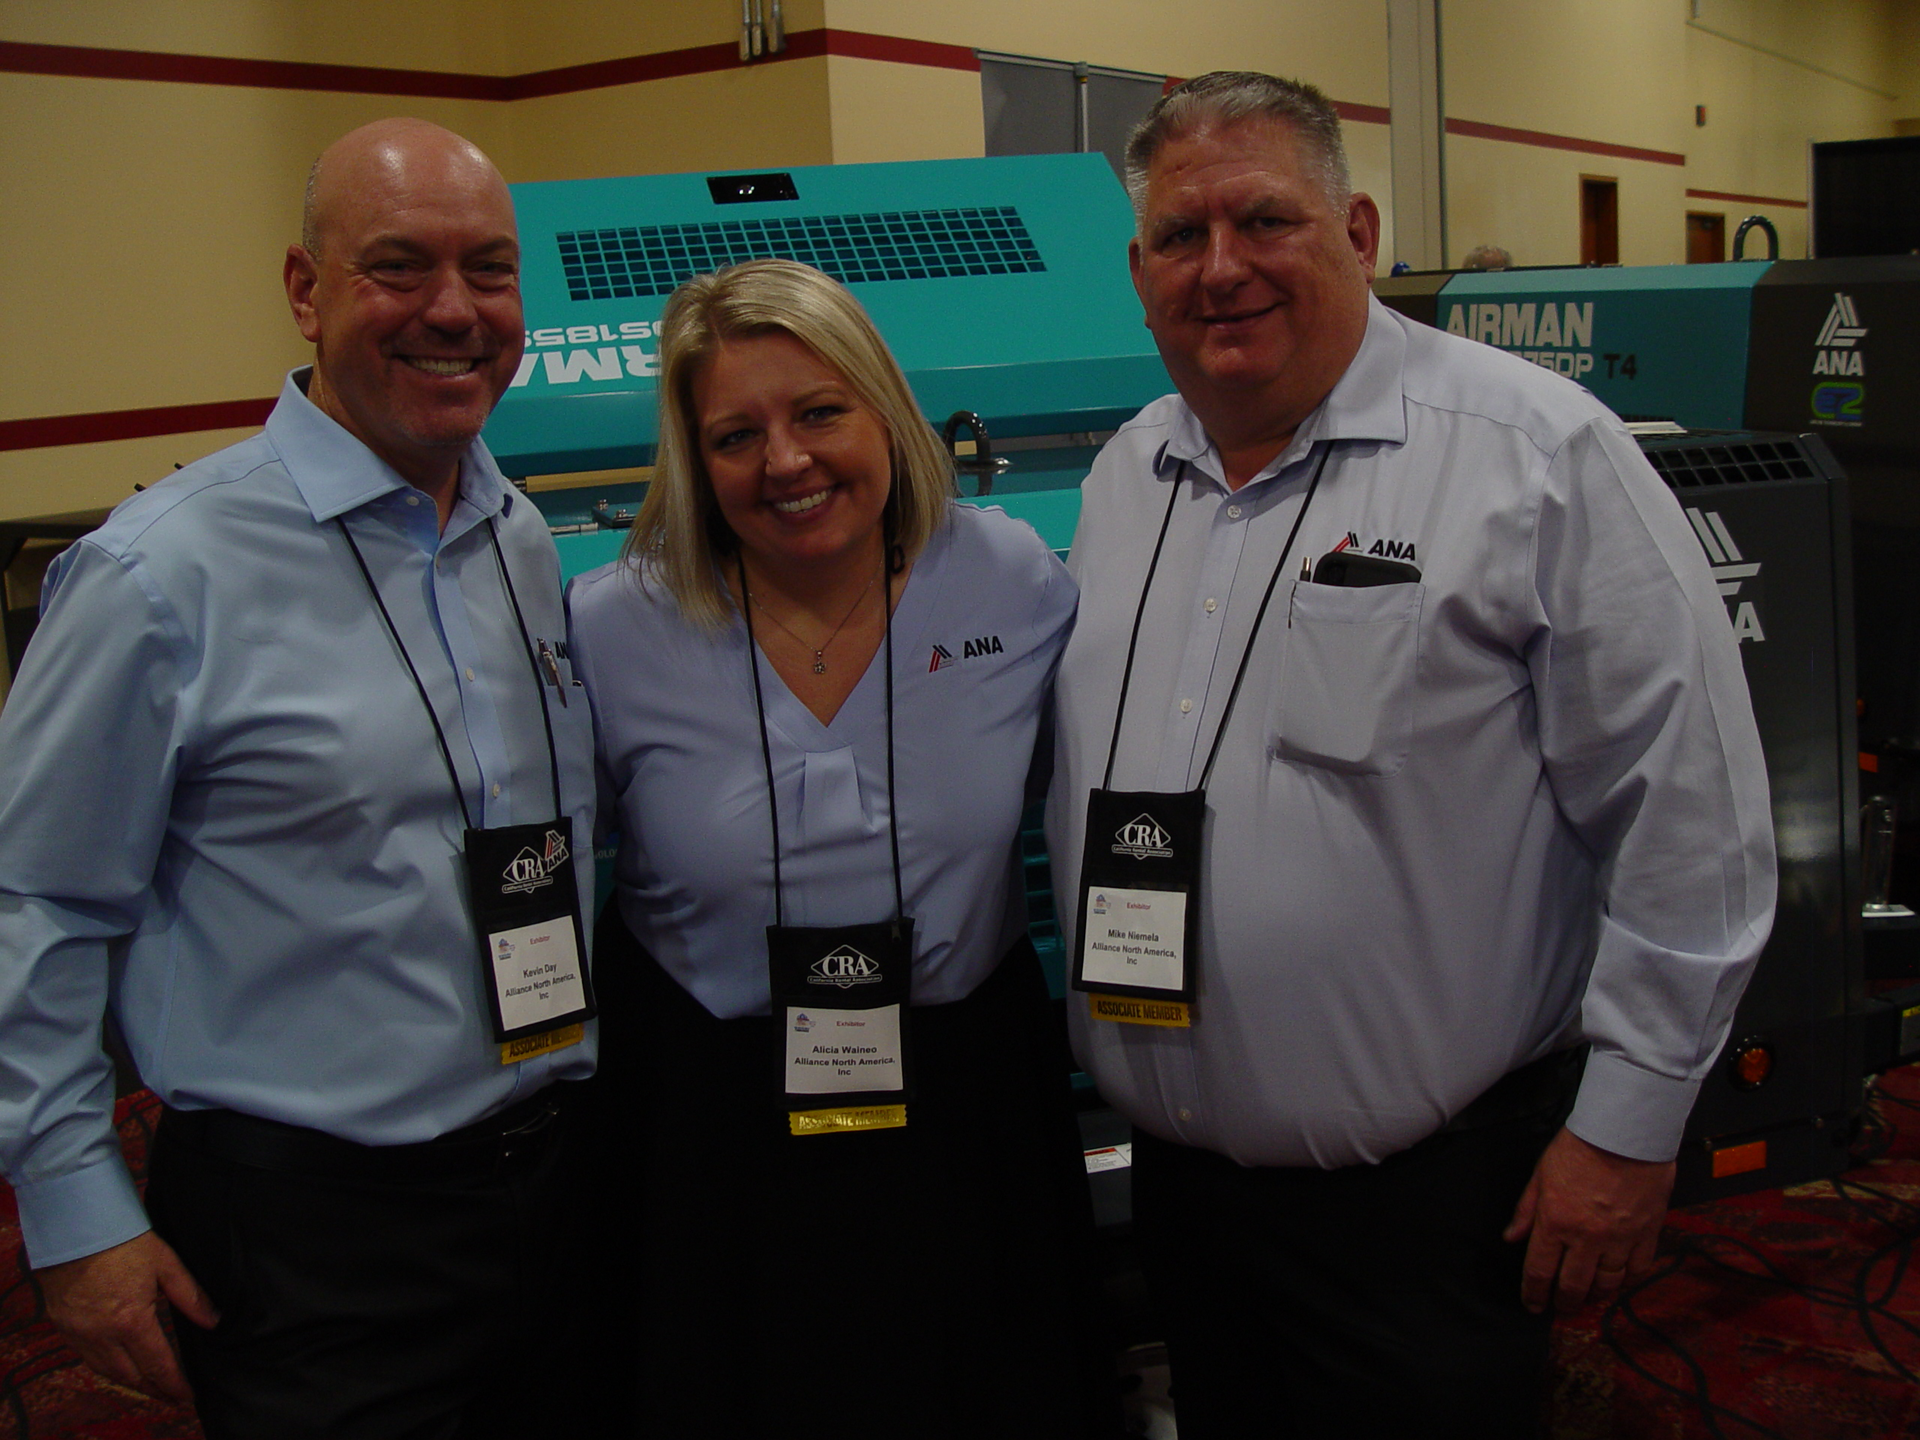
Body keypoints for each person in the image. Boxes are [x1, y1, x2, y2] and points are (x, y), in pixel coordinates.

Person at [1046, 72, 1774, 1438]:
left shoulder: (1534, 455)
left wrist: (1629, 1122)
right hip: (1189, 1200)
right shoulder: (1126, 474)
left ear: (1360, 233)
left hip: (1427, 1212)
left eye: (1264, 220)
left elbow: (1694, 817)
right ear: (1136, 269)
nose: (1221, 270)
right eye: (1178, 238)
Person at [0, 118, 598, 1439]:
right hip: (310, 1244)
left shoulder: (522, 538)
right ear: (305, 289)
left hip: (557, 1196)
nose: (454, 310)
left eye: (489, 271)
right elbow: (32, 905)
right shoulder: (158, 576)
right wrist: (73, 1210)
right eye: (400, 266)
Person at [567, 258, 1109, 1438]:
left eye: (820, 412)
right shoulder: (615, 627)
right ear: (693, 461)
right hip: (712, 1127)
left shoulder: (1009, 579)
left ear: (887, 412)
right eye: (735, 435)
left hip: (968, 1110)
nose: (786, 461)